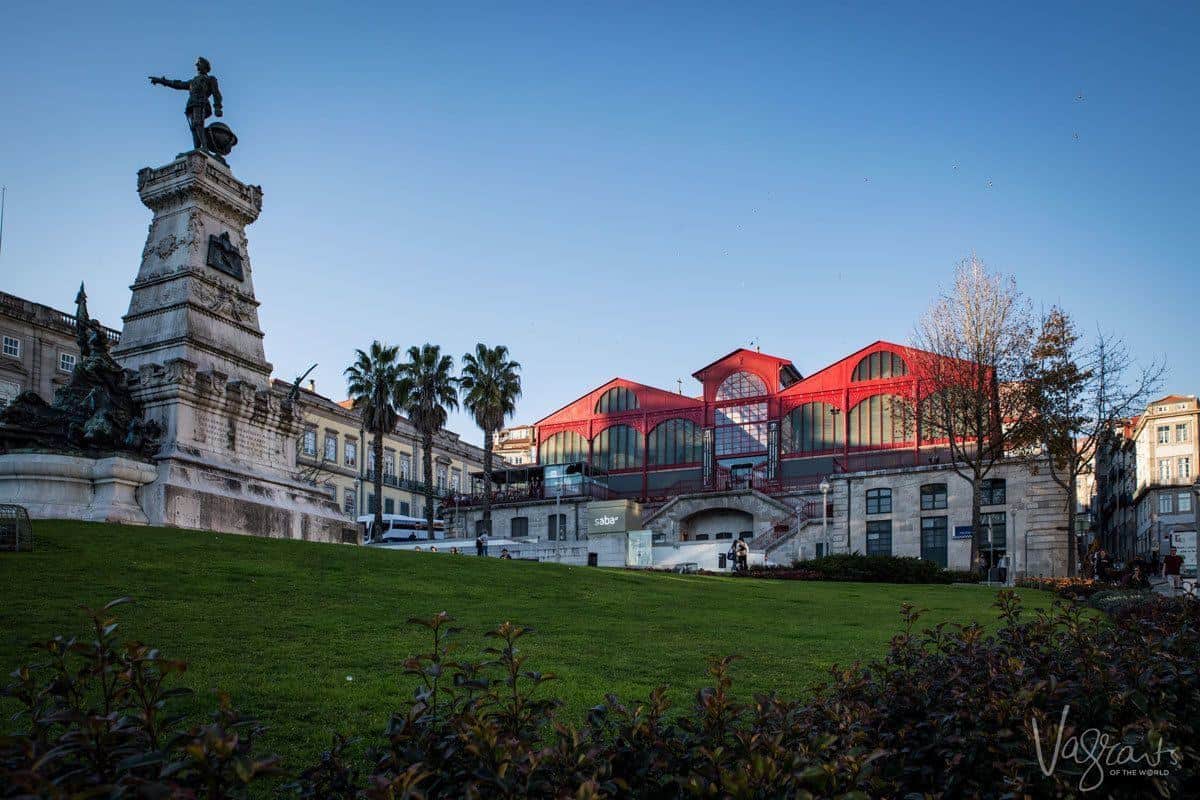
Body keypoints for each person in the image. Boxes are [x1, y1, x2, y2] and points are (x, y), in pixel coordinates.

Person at [149, 57, 223, 152]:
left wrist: (218, 107)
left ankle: (204, 147)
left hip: (201, 102)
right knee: (193, 127)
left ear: (204, 66)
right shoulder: (193, 81)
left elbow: (216, 93)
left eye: (199, 63)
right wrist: (161, 81)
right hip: (191, 105)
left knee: (198, 123)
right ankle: (197, 149)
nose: (196, 65)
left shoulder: (210, 79)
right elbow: (178, 84)